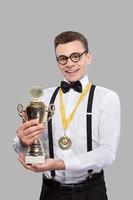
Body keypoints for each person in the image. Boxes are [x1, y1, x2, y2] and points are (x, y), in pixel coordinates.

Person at [13, 31, 121, 200]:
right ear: (57, 62)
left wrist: (60, 164)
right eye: (63, 58)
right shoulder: (43, 98)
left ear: (88, 57)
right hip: (50, 192)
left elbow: (107, 153)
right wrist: (22, 141)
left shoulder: (107, 98)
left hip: (91, 193)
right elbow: (26, 146)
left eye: (76, 56)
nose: (69, 63)